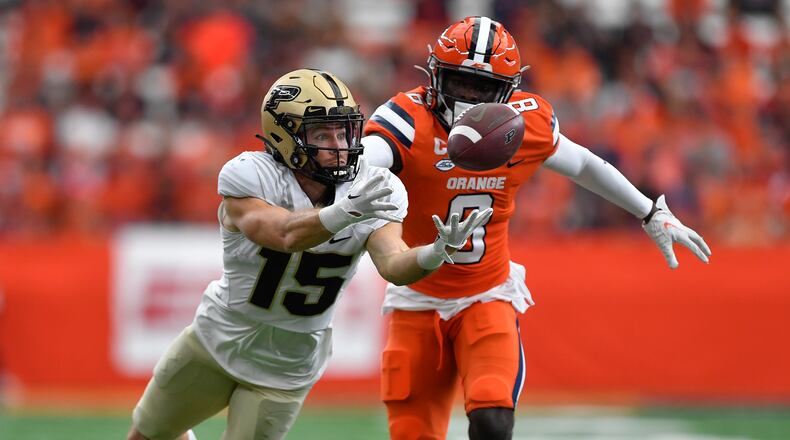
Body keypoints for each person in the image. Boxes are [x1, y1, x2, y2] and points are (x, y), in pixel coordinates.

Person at [362, 16, 712, 440]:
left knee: (493, 419)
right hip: (415, 296)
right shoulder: (405, 120)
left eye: (483, 89)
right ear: (435, 76)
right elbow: (364, 162)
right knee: (413, 434)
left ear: (508, 92)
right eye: (460, 83)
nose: (470, 100)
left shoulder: (522, 124)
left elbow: (582, 163)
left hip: (486, 292)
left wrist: (648, 211)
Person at [126, 68, 492, 440]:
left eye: (343, 130)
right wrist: (345, 211)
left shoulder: (374, 185)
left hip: (288, 363)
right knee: (146, 436)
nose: (337, 144)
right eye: (321, 133)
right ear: (284, 136)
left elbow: (393, 264)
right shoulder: (251, 175)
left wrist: (434, 253)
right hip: (216, 337)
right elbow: (283, 234)